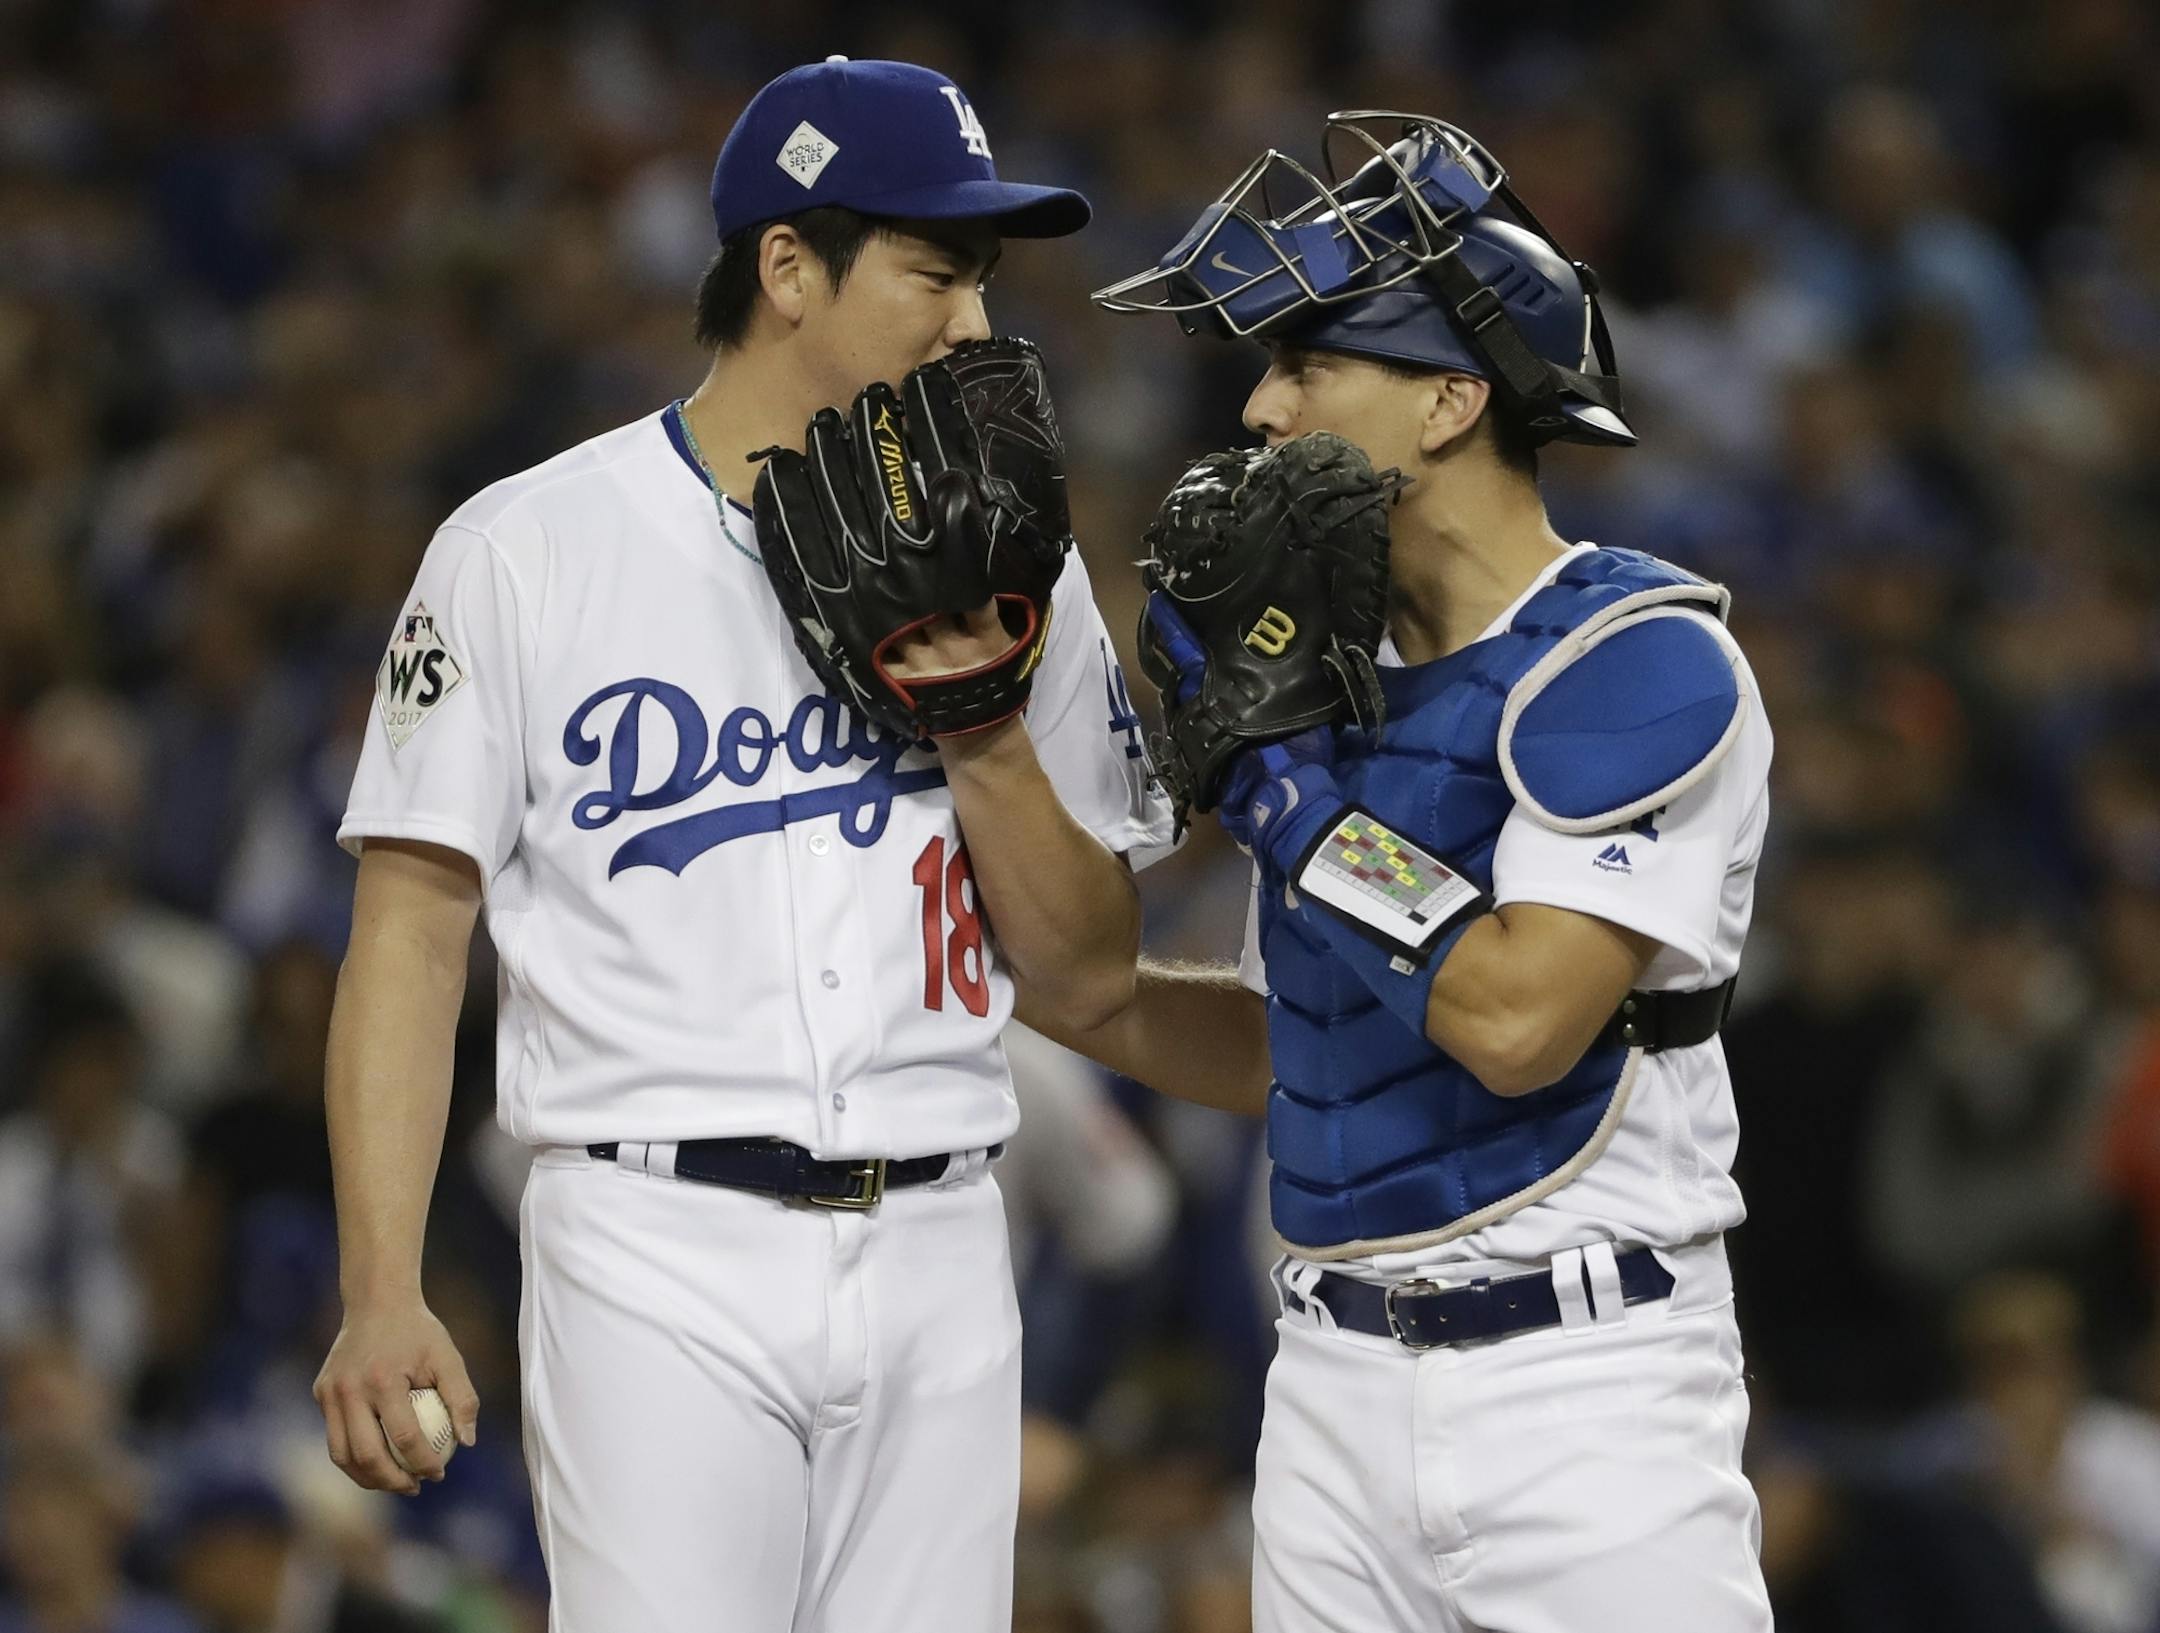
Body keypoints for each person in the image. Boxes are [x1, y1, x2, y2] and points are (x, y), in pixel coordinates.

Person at [311, 57, 1170, 1633]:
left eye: (983, 276)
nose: (976, 322)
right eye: (935, 270)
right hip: (655, 1236)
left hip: (941, 1236)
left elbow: (1086, 963)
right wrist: (381, 1283)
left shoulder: (1016, 563)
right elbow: (412, 933)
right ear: (788, 266)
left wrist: (982, 726)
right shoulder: (529, 548)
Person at [1054, 112, 1776, 1628]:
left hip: (1587, 1392)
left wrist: (1283, 804)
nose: (1258, 407)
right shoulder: (1326, 688)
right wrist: (1066, 985)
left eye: (1309, 364)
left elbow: (1518, 1020)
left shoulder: (1638, 654)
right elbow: (1296, 1045)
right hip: (1324, 1389)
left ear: (1452, 400)